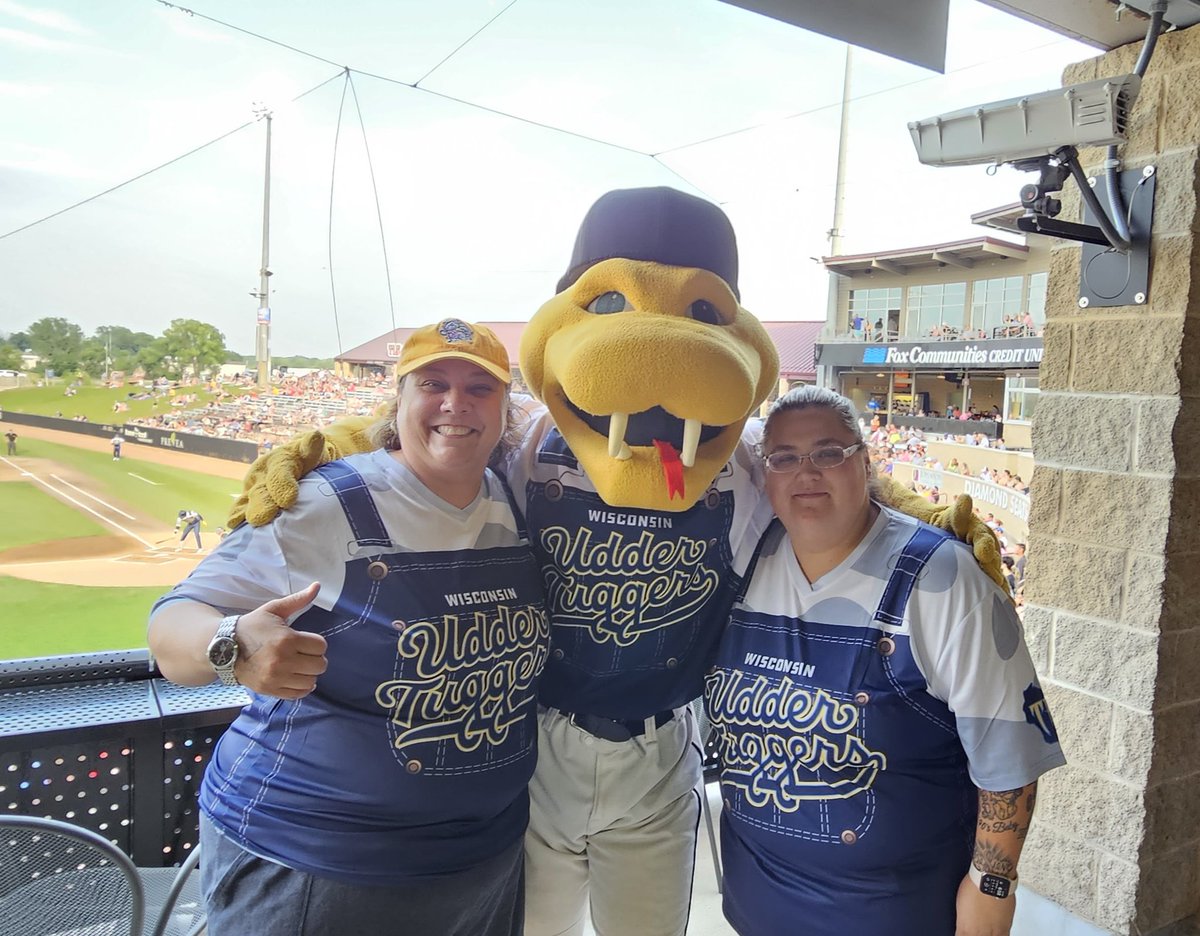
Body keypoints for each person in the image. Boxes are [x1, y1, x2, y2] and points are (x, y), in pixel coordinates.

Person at [231, 188, 1006, 936]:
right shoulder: (531, 443)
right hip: (538, 739)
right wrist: (332, 448)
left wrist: (927, 513)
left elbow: (822, 473)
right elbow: (435, 432)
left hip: (660, 745)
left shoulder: (734, 464)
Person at [147, 320, 547, 936]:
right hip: (316, 857)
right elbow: (172, 627)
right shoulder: (325, 502)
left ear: (504, 408)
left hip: (479, 859)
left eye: (480, 388)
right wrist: (234, 645)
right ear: (400, 401)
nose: (455, 403)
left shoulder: (516, 502)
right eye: (433, 383)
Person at [707, 386, 1064, 936]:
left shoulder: (946, 580)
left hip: (893, 911)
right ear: (766, 473)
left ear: (866, 461)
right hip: (757, 902)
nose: (806, 472)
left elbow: (1008, 756)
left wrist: (992, 886)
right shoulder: (745, 561)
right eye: (784, 458)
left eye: (829, 452)